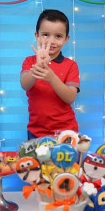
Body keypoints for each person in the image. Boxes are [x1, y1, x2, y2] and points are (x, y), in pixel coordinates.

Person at [21, 9, 80, 139]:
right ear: (37, 35)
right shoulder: (29, 61)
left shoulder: (71, 65)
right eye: (46, 35)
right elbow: (25, 84)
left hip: (66, 132)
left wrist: (51, 77)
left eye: (58, 36)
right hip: (36, 132)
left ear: (66, 39)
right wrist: (38, 67)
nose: (51, 41)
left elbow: (70, 97)